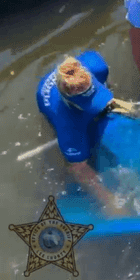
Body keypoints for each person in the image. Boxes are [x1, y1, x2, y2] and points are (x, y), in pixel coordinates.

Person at [37, 53, 128, 216]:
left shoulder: (96, 66)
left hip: (73, 74)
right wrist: (109, 201)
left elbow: (107, 84)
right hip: (53, 103)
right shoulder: (67, 125)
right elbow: (79, 168)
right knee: (77, 158)